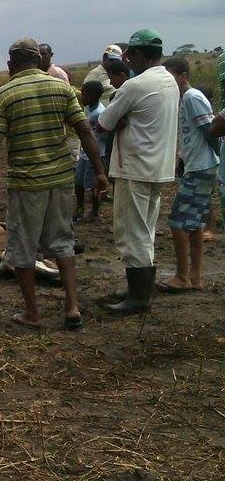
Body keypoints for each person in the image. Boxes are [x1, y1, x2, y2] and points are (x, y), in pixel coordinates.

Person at [0, 38, 107, 330]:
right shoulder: (61, 88)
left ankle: (33, 313)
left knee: (22, 248)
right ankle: (72, 307)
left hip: (26, 183)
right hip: (61, 179)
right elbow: (84, 129)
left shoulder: (5, 94)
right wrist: (99, 172)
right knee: (63, 242)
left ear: (11, 64)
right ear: (38, 60)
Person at [97, 29, 179, 315]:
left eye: (131, 54)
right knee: (146, 230)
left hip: (135, 166)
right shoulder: (169, 80)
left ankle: (139, 296)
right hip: (159, 166)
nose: (128, 60)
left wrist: (123, 118)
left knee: (132, 233)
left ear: (141, 55)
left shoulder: (135, 85)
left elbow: (104, 123)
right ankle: (138, 289)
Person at [156, 58, 219, 292]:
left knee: (177, 221)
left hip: (201, 166)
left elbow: (210, 131)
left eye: (171, 76)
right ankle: (195, 277)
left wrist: (214, 161)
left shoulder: (192, 97)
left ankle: (183, 276)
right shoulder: (184, 98)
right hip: (198, 164)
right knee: (194, 223)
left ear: (183, 75)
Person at [74, 81, 107, 222]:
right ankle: (80, 209)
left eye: (85, 93)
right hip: (85, 153)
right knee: (78, 181)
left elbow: (103, 135)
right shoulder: (89, 108)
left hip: (96, 153)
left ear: (92, 95)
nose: (82, 96)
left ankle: (94, 212)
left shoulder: (99, 113)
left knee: (93, 185)